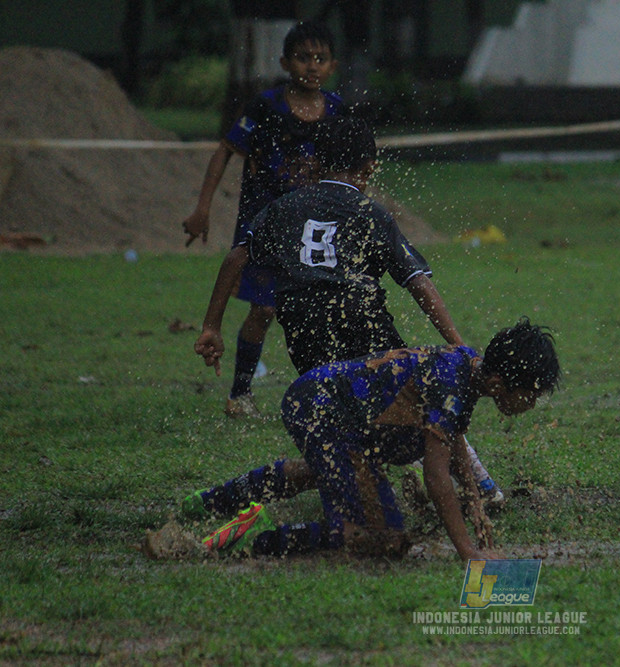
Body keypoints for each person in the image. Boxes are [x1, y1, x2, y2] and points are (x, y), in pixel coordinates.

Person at [192, 113, 505, 504]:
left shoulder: (285, 206)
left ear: (316, 163)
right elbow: (418, 283)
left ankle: (232, 496)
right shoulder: (370, 212)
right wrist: (457, 344)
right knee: (428, 396)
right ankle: (482, 488)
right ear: (370, 167)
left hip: (304, 332)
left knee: (348, 419)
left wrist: (211, 326)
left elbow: (236, 258)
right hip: (360, 321)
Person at [195, 318, 560, 561]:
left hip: (331, 411)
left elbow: (456, 441)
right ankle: (264, 533)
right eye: (531, 393)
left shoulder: (467, 366)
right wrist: (468, 552)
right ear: (499, 384)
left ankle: (211, 502)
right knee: (385, 538)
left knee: (328, 472)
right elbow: (435, 476)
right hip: (324, 412)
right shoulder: (453, 384)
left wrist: (475, 503)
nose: (533, 402)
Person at [182, 19, 343, 418]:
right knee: (265, 309)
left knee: (319, 308)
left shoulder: (337, 111)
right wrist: (202, 208)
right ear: (286, 62)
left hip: (312, 227)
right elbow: (225, 150)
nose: (312, 66)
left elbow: (347, 166)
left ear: (332, 66)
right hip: (263, 222)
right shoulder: (265, 106)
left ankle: (325, 395)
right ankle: (241, 394)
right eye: (303, 58)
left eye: (320, 59)